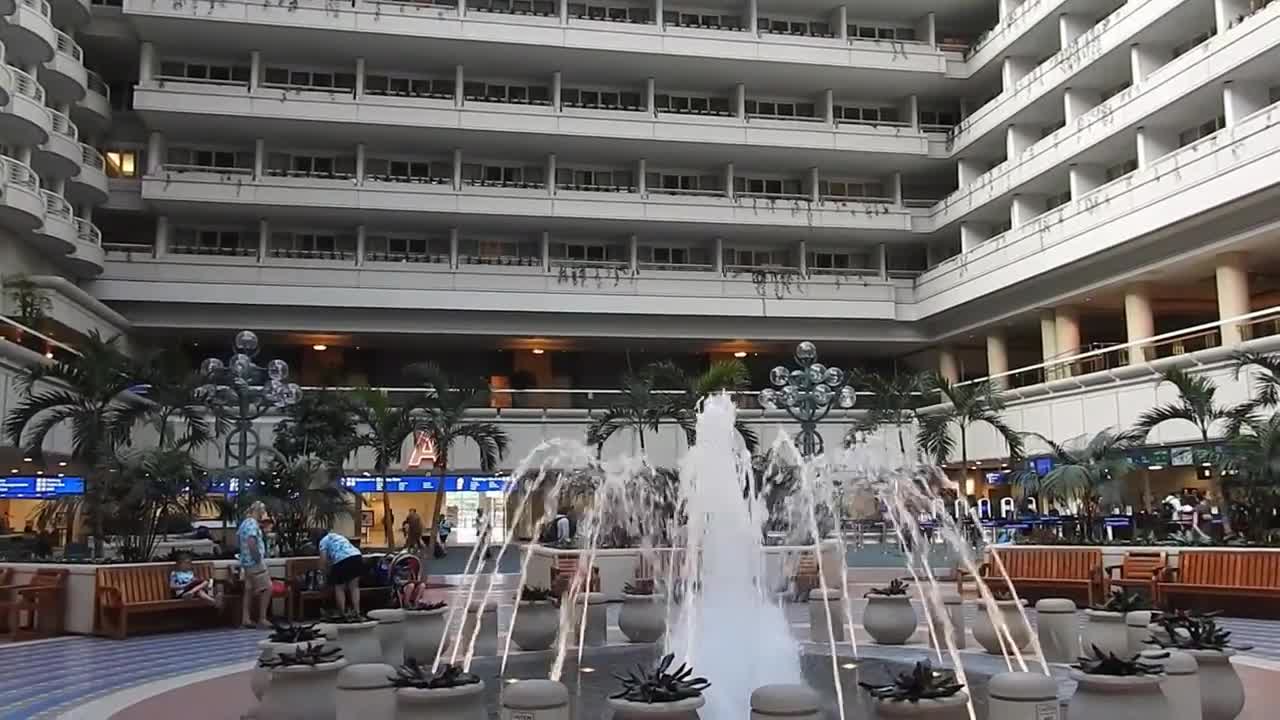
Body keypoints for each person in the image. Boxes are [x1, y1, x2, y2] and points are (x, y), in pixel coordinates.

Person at [237, 501, 272, 629]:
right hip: (254, 562)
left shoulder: (244, 523)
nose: (264, 514)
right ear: (259, 511)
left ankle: (246, 618)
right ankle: (262, 618)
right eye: (263, 511)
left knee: (249, 589)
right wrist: (257, 557)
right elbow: (251, 541)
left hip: (246, 562)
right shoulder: (252, 524)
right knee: (267, 588)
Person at [314, 528, 363, 615]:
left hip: (342, 560)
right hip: (357, 556)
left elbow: (323, 561)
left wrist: (323, 575)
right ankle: (357, 611)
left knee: (339, 587)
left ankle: (342, 612)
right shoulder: (338, 536)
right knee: (354, 586)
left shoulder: (323, 541)